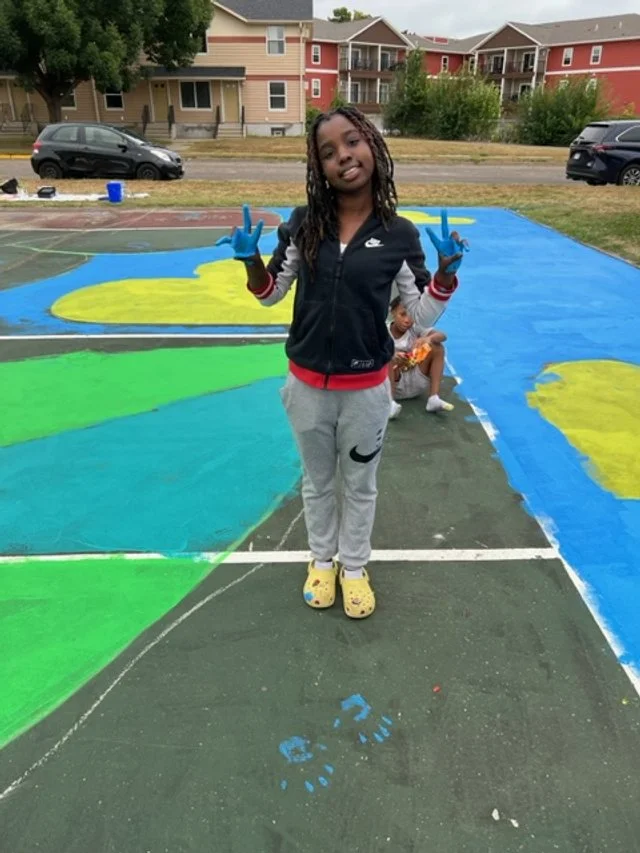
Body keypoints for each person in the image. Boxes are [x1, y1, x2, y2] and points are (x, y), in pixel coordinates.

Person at [216, 106, 467, 619]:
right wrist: (250, 261)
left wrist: (444, 276)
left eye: (352, 141)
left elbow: (418, 314)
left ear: (372, 145)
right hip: (306, 385)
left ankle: (353, 567)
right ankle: (321, 561)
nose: (343, 157)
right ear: (319, 167)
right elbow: (270, 293)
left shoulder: (399, 234)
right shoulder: (304, 224)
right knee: (317, 483)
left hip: (367, 389)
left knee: (359, 484)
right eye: (328, 152)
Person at [388, 296, 454, 418]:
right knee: (387, 357)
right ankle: (389, 403)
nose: (407, 320)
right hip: (393, 386)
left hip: (416, 381)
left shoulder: (416, 328)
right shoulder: (382, 331)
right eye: (403, 314)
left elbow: (443, 336)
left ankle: (433, 398)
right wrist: (393, 356)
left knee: (437, 347)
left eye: (411, 316)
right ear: (392, 312)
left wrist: (428, 339)